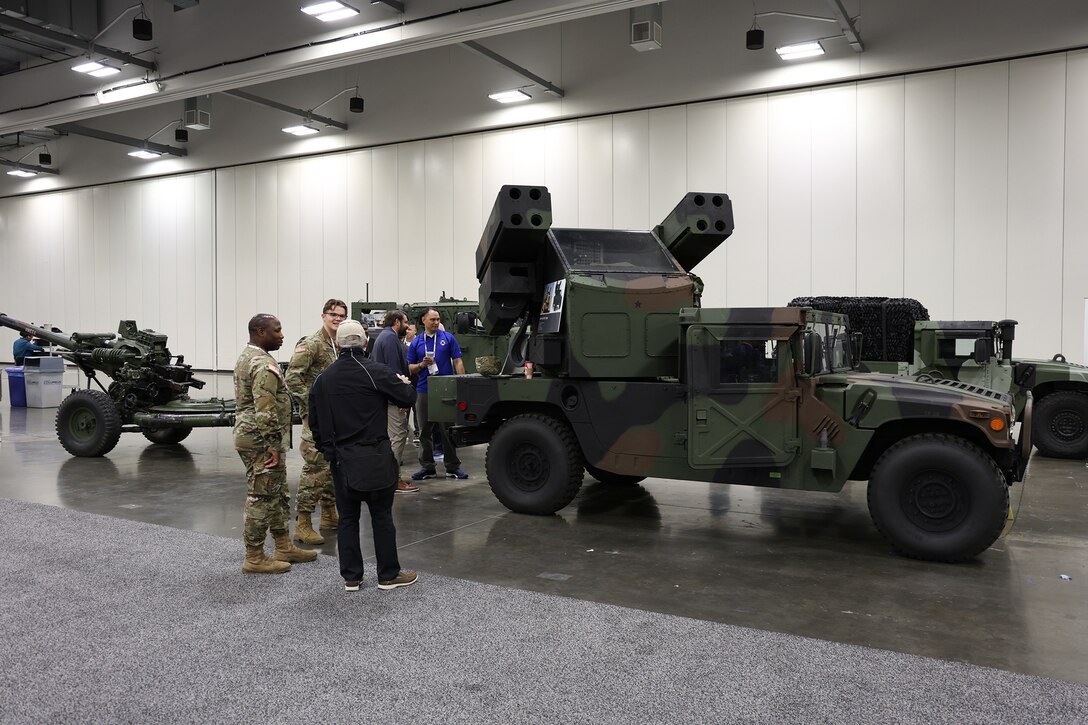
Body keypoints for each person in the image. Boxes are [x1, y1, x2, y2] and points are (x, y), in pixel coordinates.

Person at [308, 319, 418, 592]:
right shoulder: (376, 372)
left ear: (337, 344)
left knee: (347, 518)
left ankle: (352, 577)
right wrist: (403, 383)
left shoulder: (323, 380)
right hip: (375, 456)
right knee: (381, 516)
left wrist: (329, 451)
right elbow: (407, 398)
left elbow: (315, 424)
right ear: (365, 342)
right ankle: (388, 575)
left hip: (341, 461)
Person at [234, 313, 318, 574]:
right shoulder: (262, 364)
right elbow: (265, 410)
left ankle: (282, 545)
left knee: (278, 493)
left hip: (259, 437)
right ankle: (255, 556)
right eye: (277, 331)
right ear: (260, 332)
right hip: (261, 440)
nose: (282, 336)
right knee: (261, 496)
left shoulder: (249, 357)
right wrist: (272, 444)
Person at [285, 298, 346, 546]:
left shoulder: (339, 344)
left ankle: (330, 515)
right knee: (314, 468)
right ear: (323, 316)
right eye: (333, 314)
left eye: (342, 316)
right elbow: (292, 377)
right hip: (317, 419)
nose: (337, 319)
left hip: (336, 418)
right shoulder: (311, 344)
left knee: (332, 465)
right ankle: (303, 523)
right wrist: (311, 405)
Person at [407, 307, 468, 480]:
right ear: (423, 321)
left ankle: (452, 466)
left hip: (445, 389)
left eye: (438, 319)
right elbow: (410, 367)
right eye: (432, 319)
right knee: (424, 431)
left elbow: (457, 360)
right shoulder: (416, 342)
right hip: (424, 389)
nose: (436, 322)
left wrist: (460, 382)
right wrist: (421, 365)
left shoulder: (448, 338)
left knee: (447, 429)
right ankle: (427, 467)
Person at [369, 309, 418, 494]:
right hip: (392, 400)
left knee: (392, 438)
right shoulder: (390, 339)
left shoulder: (384, 337)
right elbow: (393, 373)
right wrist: (402, 399)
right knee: (397, 439)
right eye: (405, 322)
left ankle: (388, 477)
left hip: (385, 398)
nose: (407, 326)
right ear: (397, 322)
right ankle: (393, 480)